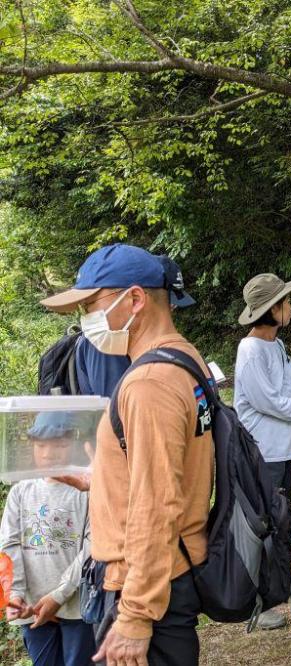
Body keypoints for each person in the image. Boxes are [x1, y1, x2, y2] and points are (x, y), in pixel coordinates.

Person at [38, 243, 207, 664]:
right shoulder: (184, 359)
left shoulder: (148, 384)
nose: (86, 322)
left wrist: (134, 616)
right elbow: (166, 473)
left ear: (134, 299)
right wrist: (102, 482)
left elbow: (157, 504)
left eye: (91, 306)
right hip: (170, 570)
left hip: (144, 581)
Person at [234, 273, 291, 630]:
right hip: (260, 453)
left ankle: (282, 582)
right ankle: (255, 602)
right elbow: (268, 400)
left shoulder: (277, 347)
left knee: (283, 519)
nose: (290, 307)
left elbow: (289, 393)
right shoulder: (250, 349)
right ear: (271, 310)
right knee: (261, 524)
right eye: (285, 303)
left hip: (282, 449)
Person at [1, 413, 94, 666]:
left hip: (76, 606)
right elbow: (9, 545)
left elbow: (92, 544)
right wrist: (16, 594)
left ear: (72, 444)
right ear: (31, 446)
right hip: (30, 609)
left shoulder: (86, 491)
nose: (48, 454)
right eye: (41, 445)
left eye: (59, 445)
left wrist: (59, 596)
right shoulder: (21, 491)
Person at [73, 254, 196, 398]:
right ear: (138, 299)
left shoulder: (175, 352)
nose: (169, 310)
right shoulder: (110, 340)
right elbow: (116, 404)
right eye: (169, 302)